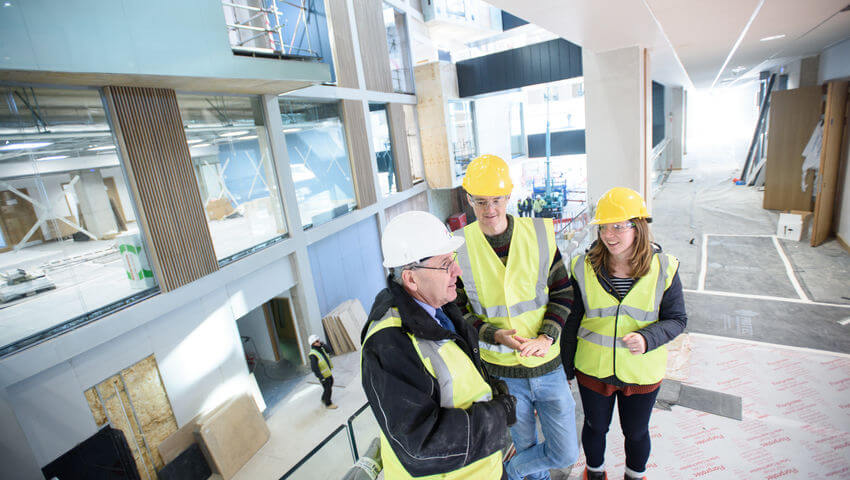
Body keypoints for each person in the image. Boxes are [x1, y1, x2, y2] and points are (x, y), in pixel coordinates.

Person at [361, 210, 517, 480]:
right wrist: (497, 415)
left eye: (453, 260)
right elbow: (421, 447)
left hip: (483, 467)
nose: (457, 271)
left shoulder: (441, 308)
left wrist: (493, 391)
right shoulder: (389, 344)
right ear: (410, 278)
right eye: (445, 264)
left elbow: (460, 374)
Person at [454, 154, 578, 480]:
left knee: (564, 452)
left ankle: (508, 471)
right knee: (525, 446)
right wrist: (493, 334)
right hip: (503, 376)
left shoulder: (539, 235)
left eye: (496, 200)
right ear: (469, 200)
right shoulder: (459, 248)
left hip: (548, 367)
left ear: (509, 196)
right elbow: (460, 311)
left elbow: (563, 292)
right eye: (480, 202)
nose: (489, 209)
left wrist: (546, 336)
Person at [561, 187, 687, 480]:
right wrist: (566, 369)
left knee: (637, 432)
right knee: (594, 427)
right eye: (604, 227)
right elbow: (571, 321)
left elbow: (677, 319)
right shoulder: (583, 267)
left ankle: (634, 475)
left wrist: (647, 338)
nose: (609, 234)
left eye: (618, 226)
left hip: (641, 371)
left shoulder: (664, 268)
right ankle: (594, 474)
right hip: (592, 368)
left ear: (639, 226)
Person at [308, 334, 337, 409]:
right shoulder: (313, 354)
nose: (319, 342)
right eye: (317, 341)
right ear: (313, 343)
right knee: (328, 389)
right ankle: (328, 404)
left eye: (319, 340)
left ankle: (323, 398)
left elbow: (329, 351)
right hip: (323, 375)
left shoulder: (321, 348)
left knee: (330, 385)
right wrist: (321, 377)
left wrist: (323, 344)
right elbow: (314, 368)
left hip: (327, 372)